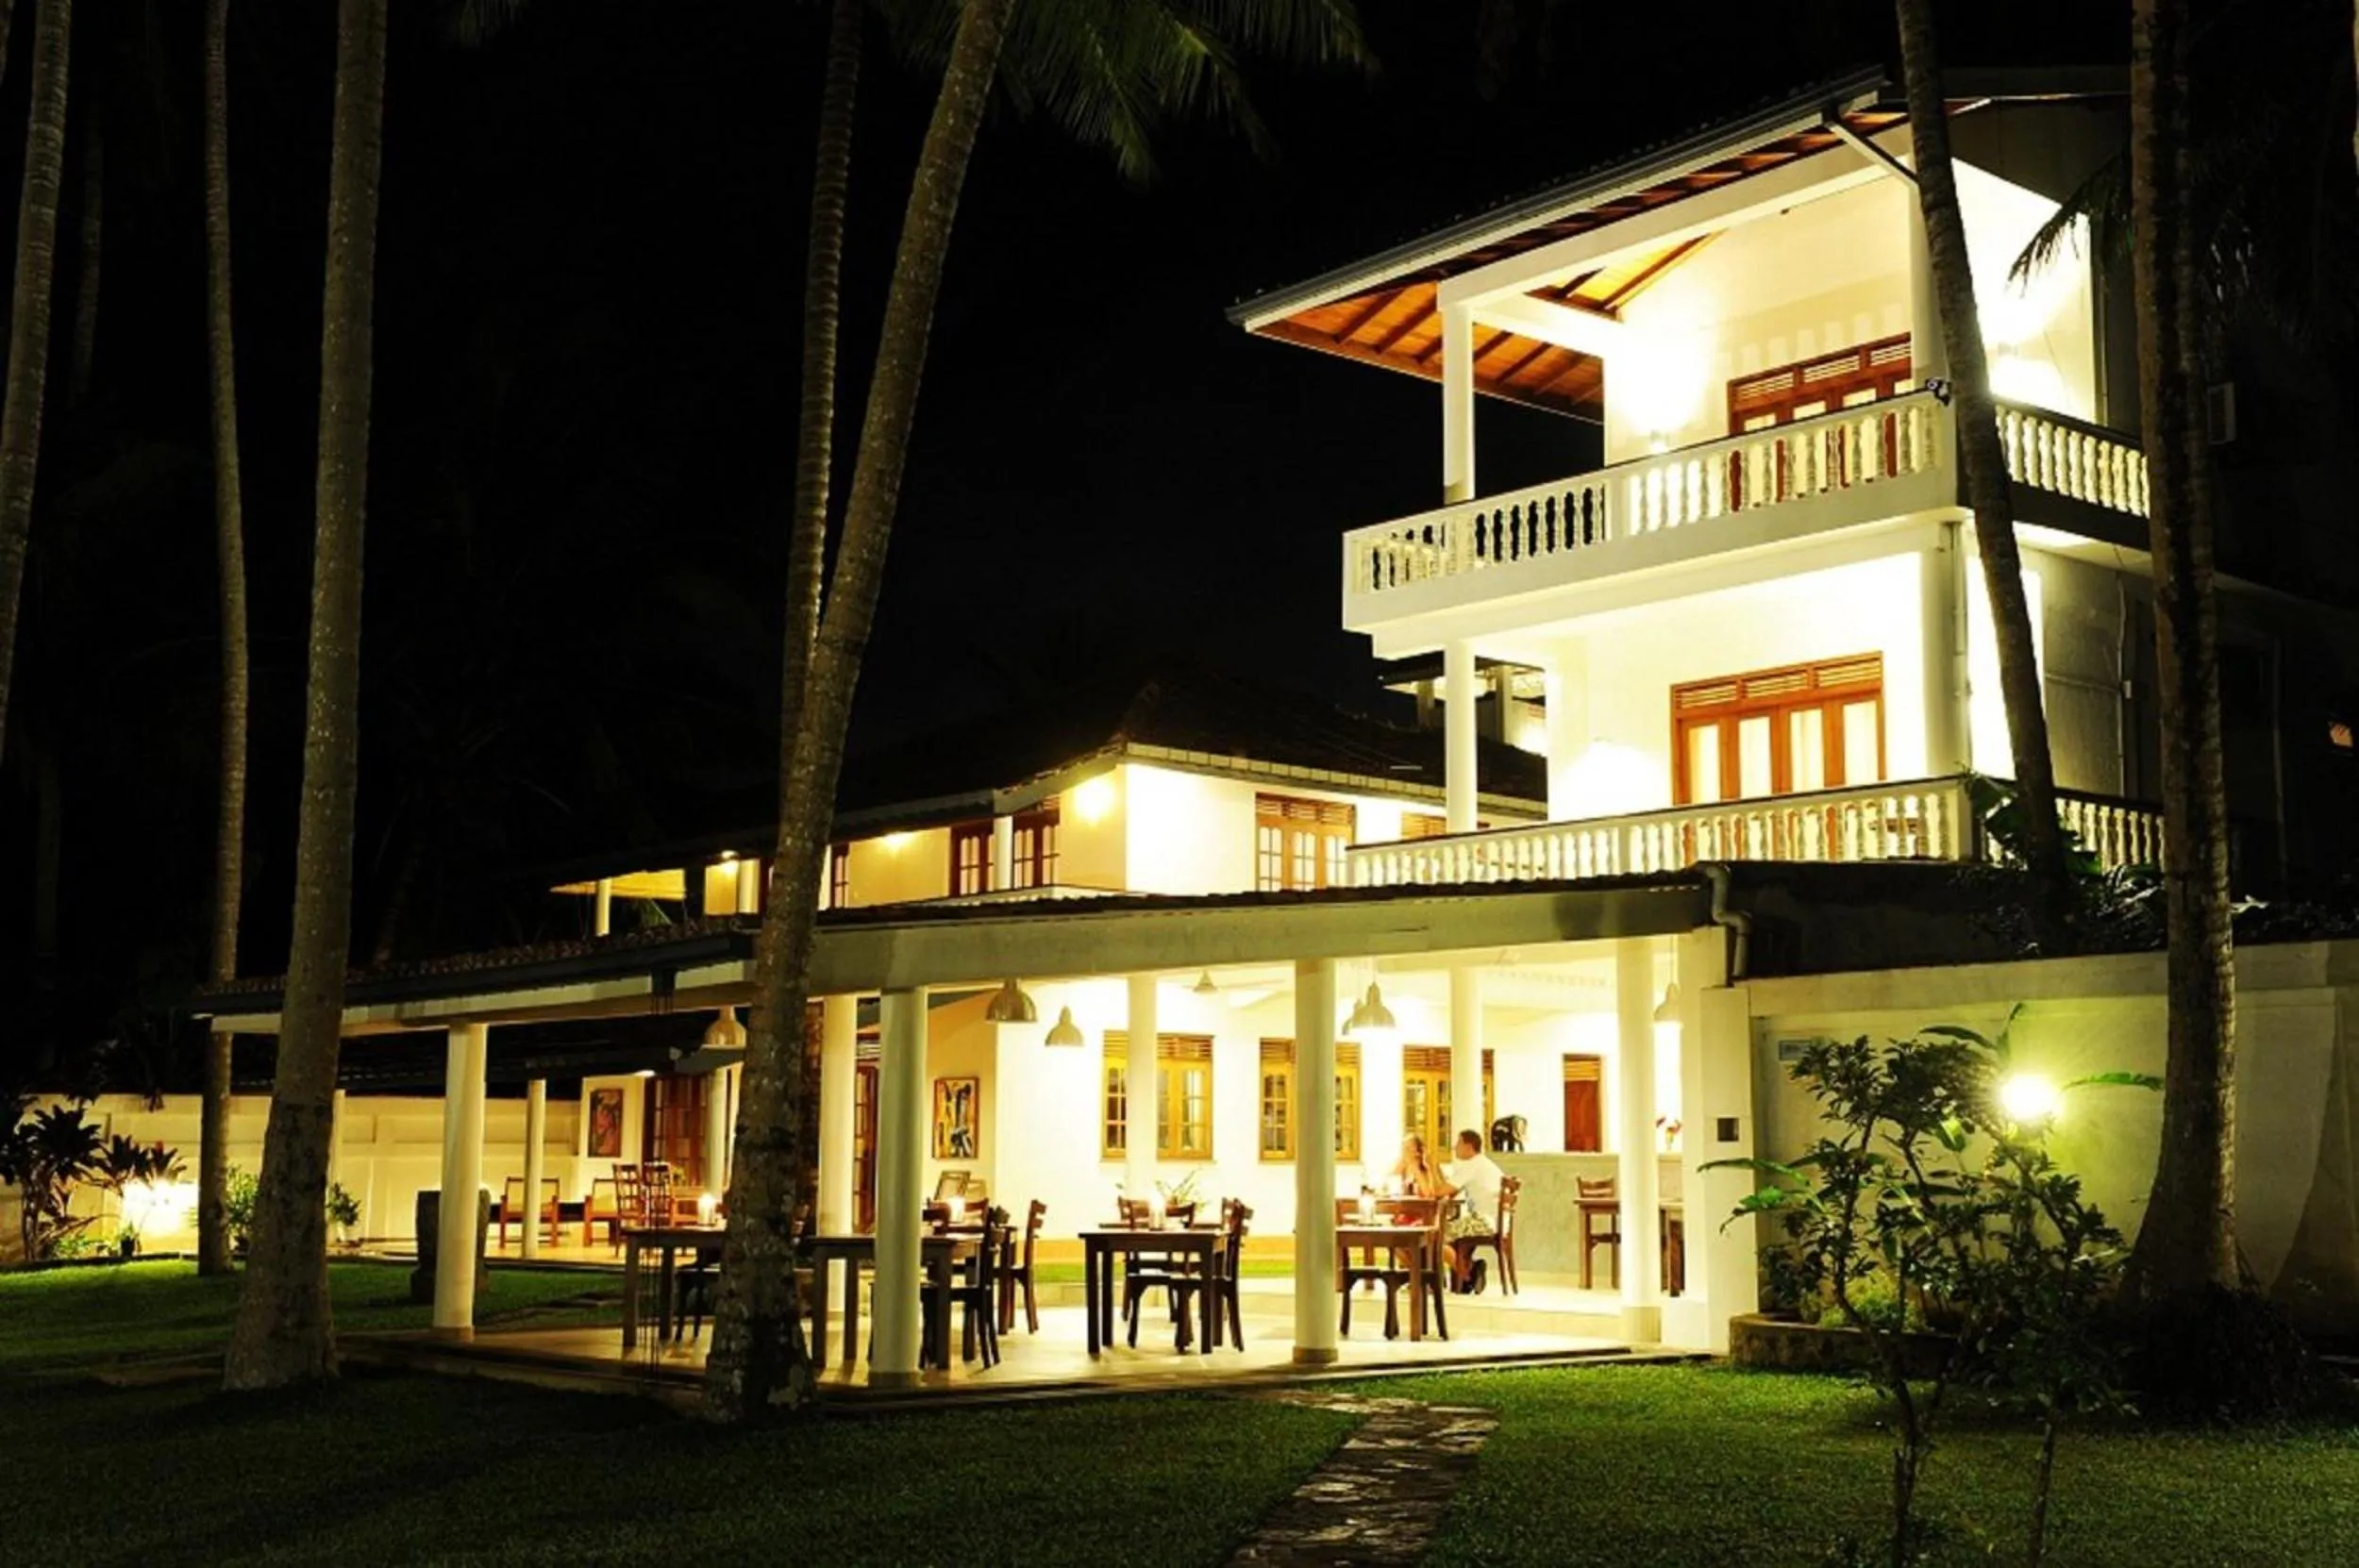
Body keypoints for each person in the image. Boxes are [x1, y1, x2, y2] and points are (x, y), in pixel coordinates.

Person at [1442, 1129, 1505, 1293]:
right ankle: (1467, 1273)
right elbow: (1452, 1190)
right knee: (1448, 1232)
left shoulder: (1472, 1165)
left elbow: (1441, 1191)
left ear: (1468, 1146)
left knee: (1435, 1235)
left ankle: (1468, 1274)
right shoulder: (1482, 1163)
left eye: (1458, 1144)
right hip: (1495, 1220)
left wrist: (1431, 1169)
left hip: (1484, 1221)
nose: (1454, 1147)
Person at [1389, 1134, 1445, 1198]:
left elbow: (1429, 1193)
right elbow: (1389, 1182)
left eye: (1408, 1148)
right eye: (1404, 1148)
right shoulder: (1405, 1165)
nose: (1405, 1152)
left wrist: (1415, 1166)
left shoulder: (1429, 1165)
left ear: (1419, 1151)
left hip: (1427, 1203)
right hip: (1408, 1203)